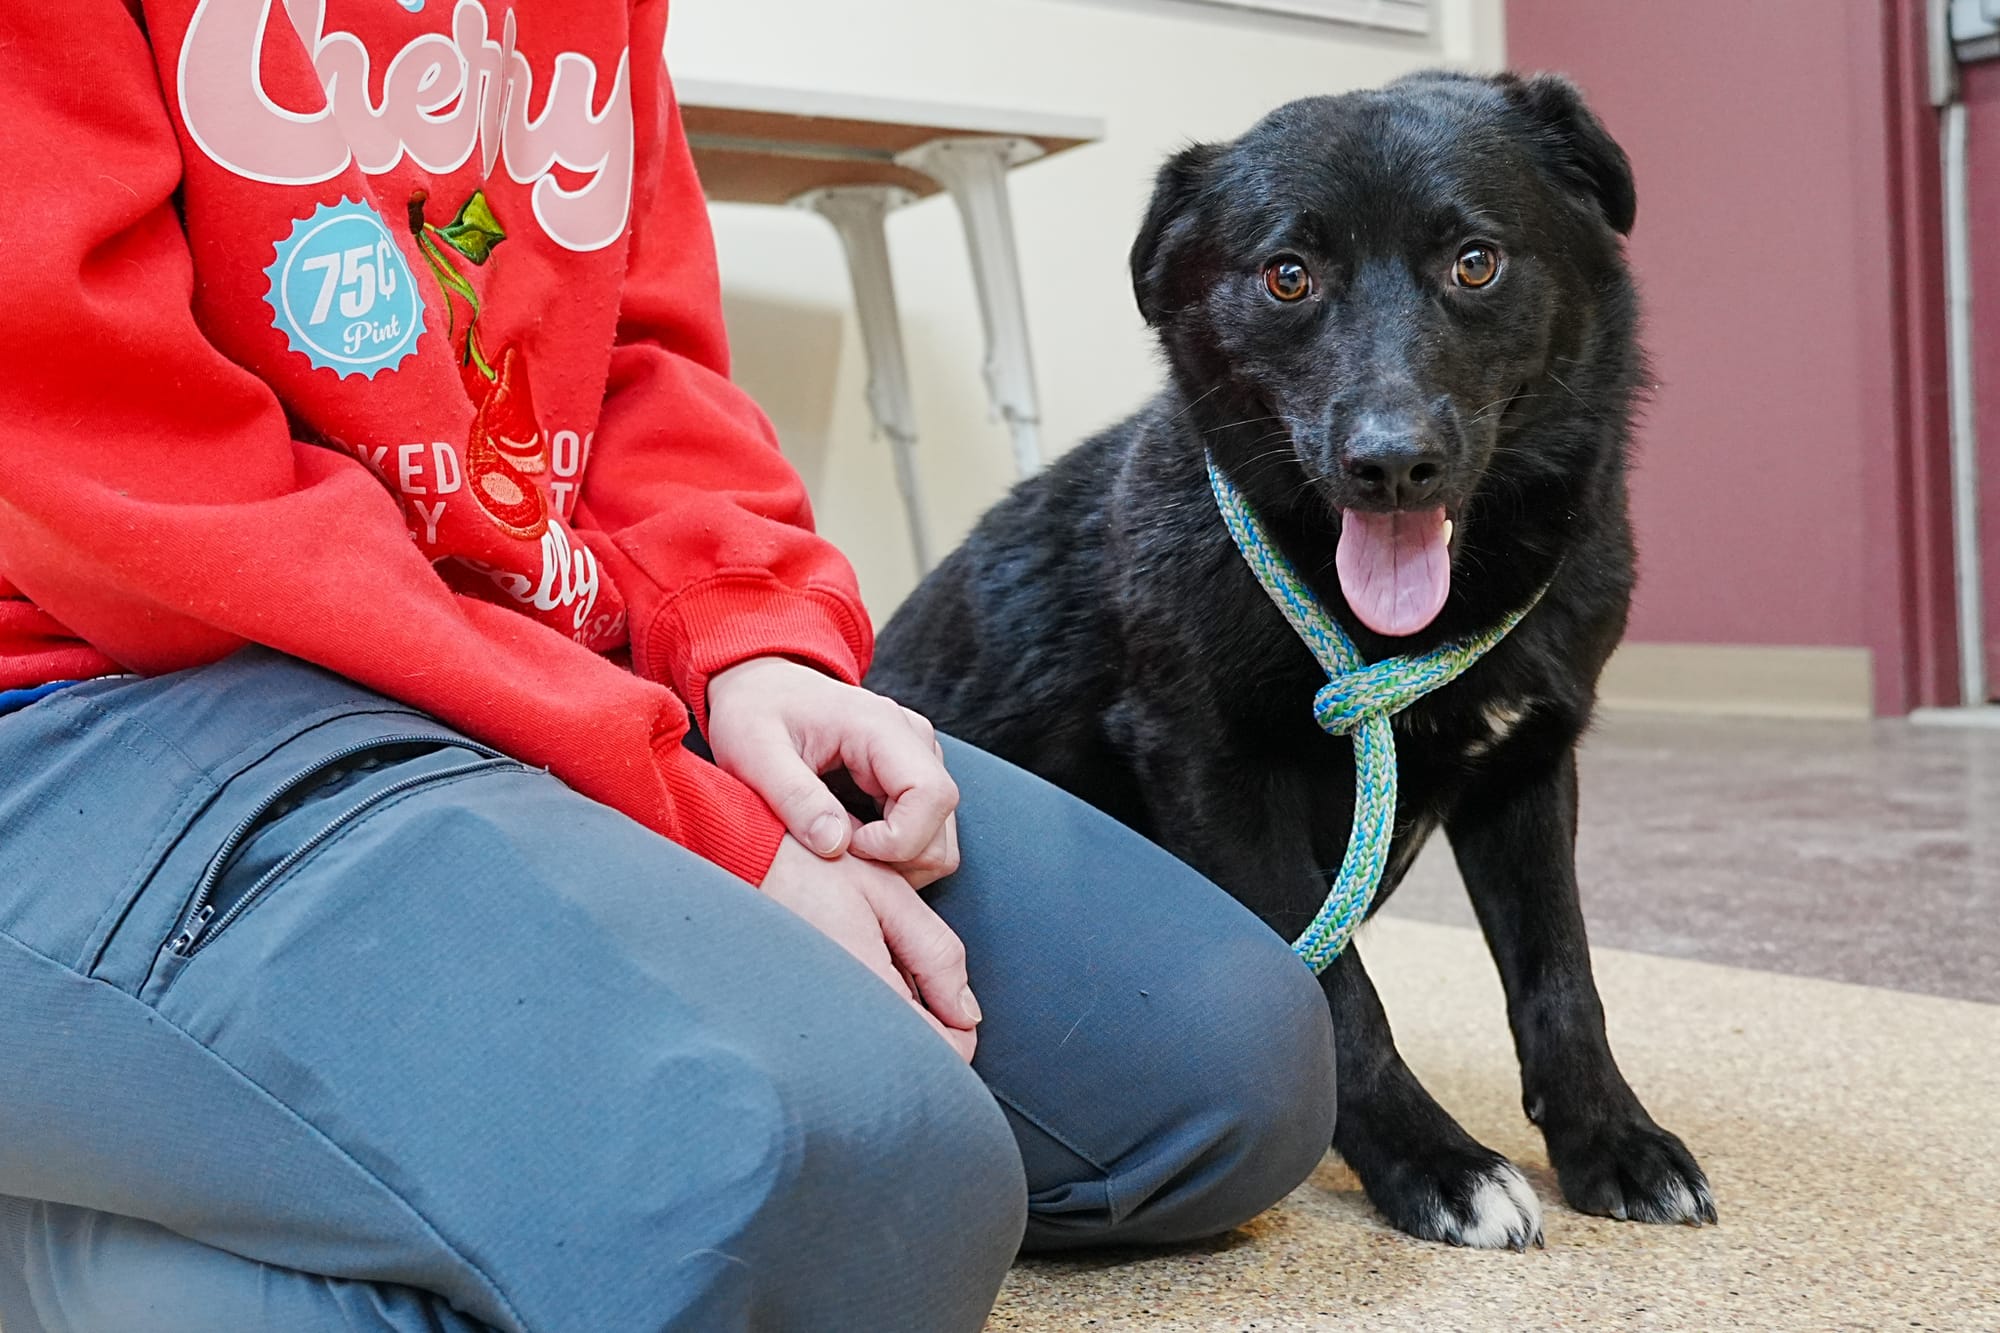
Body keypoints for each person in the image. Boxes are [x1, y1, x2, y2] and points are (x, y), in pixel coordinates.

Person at [0, 3, 1336, 1329]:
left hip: (489, 661)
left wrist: (745, 634)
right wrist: (681, 806)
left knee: (1228, 1066)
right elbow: (123, 486)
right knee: (847, 1188)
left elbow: (632, 351)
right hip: (105, 684)